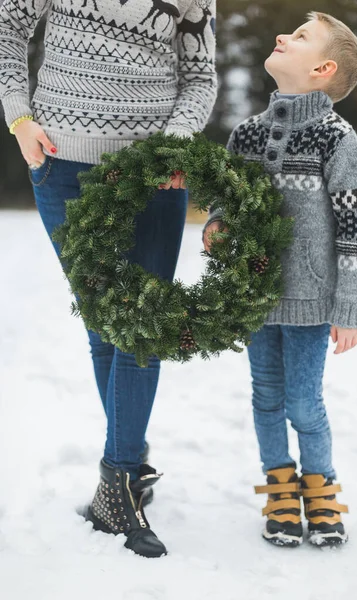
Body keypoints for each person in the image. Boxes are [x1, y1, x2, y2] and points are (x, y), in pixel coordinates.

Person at [0, 0, 217, 558]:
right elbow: (8, 24)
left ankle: (117, 482)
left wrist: (175, 141)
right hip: (61, 165)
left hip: (154, 176)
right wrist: (18, 117)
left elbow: (198, 76)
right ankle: (126, 466)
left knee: (142, 329)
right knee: (104, 330)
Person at [203, 11, 357, 547]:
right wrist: (215, 224)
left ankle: (320, 491)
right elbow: (225, 200)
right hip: (254, 298)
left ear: (323, 69)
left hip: (309, 300)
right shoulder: (248, 134)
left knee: (304, 402)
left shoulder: (336, 139)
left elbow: (356, 229)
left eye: (299, 37)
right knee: (266, 397)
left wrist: (349, 308)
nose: (283, 35)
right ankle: (280, 488)